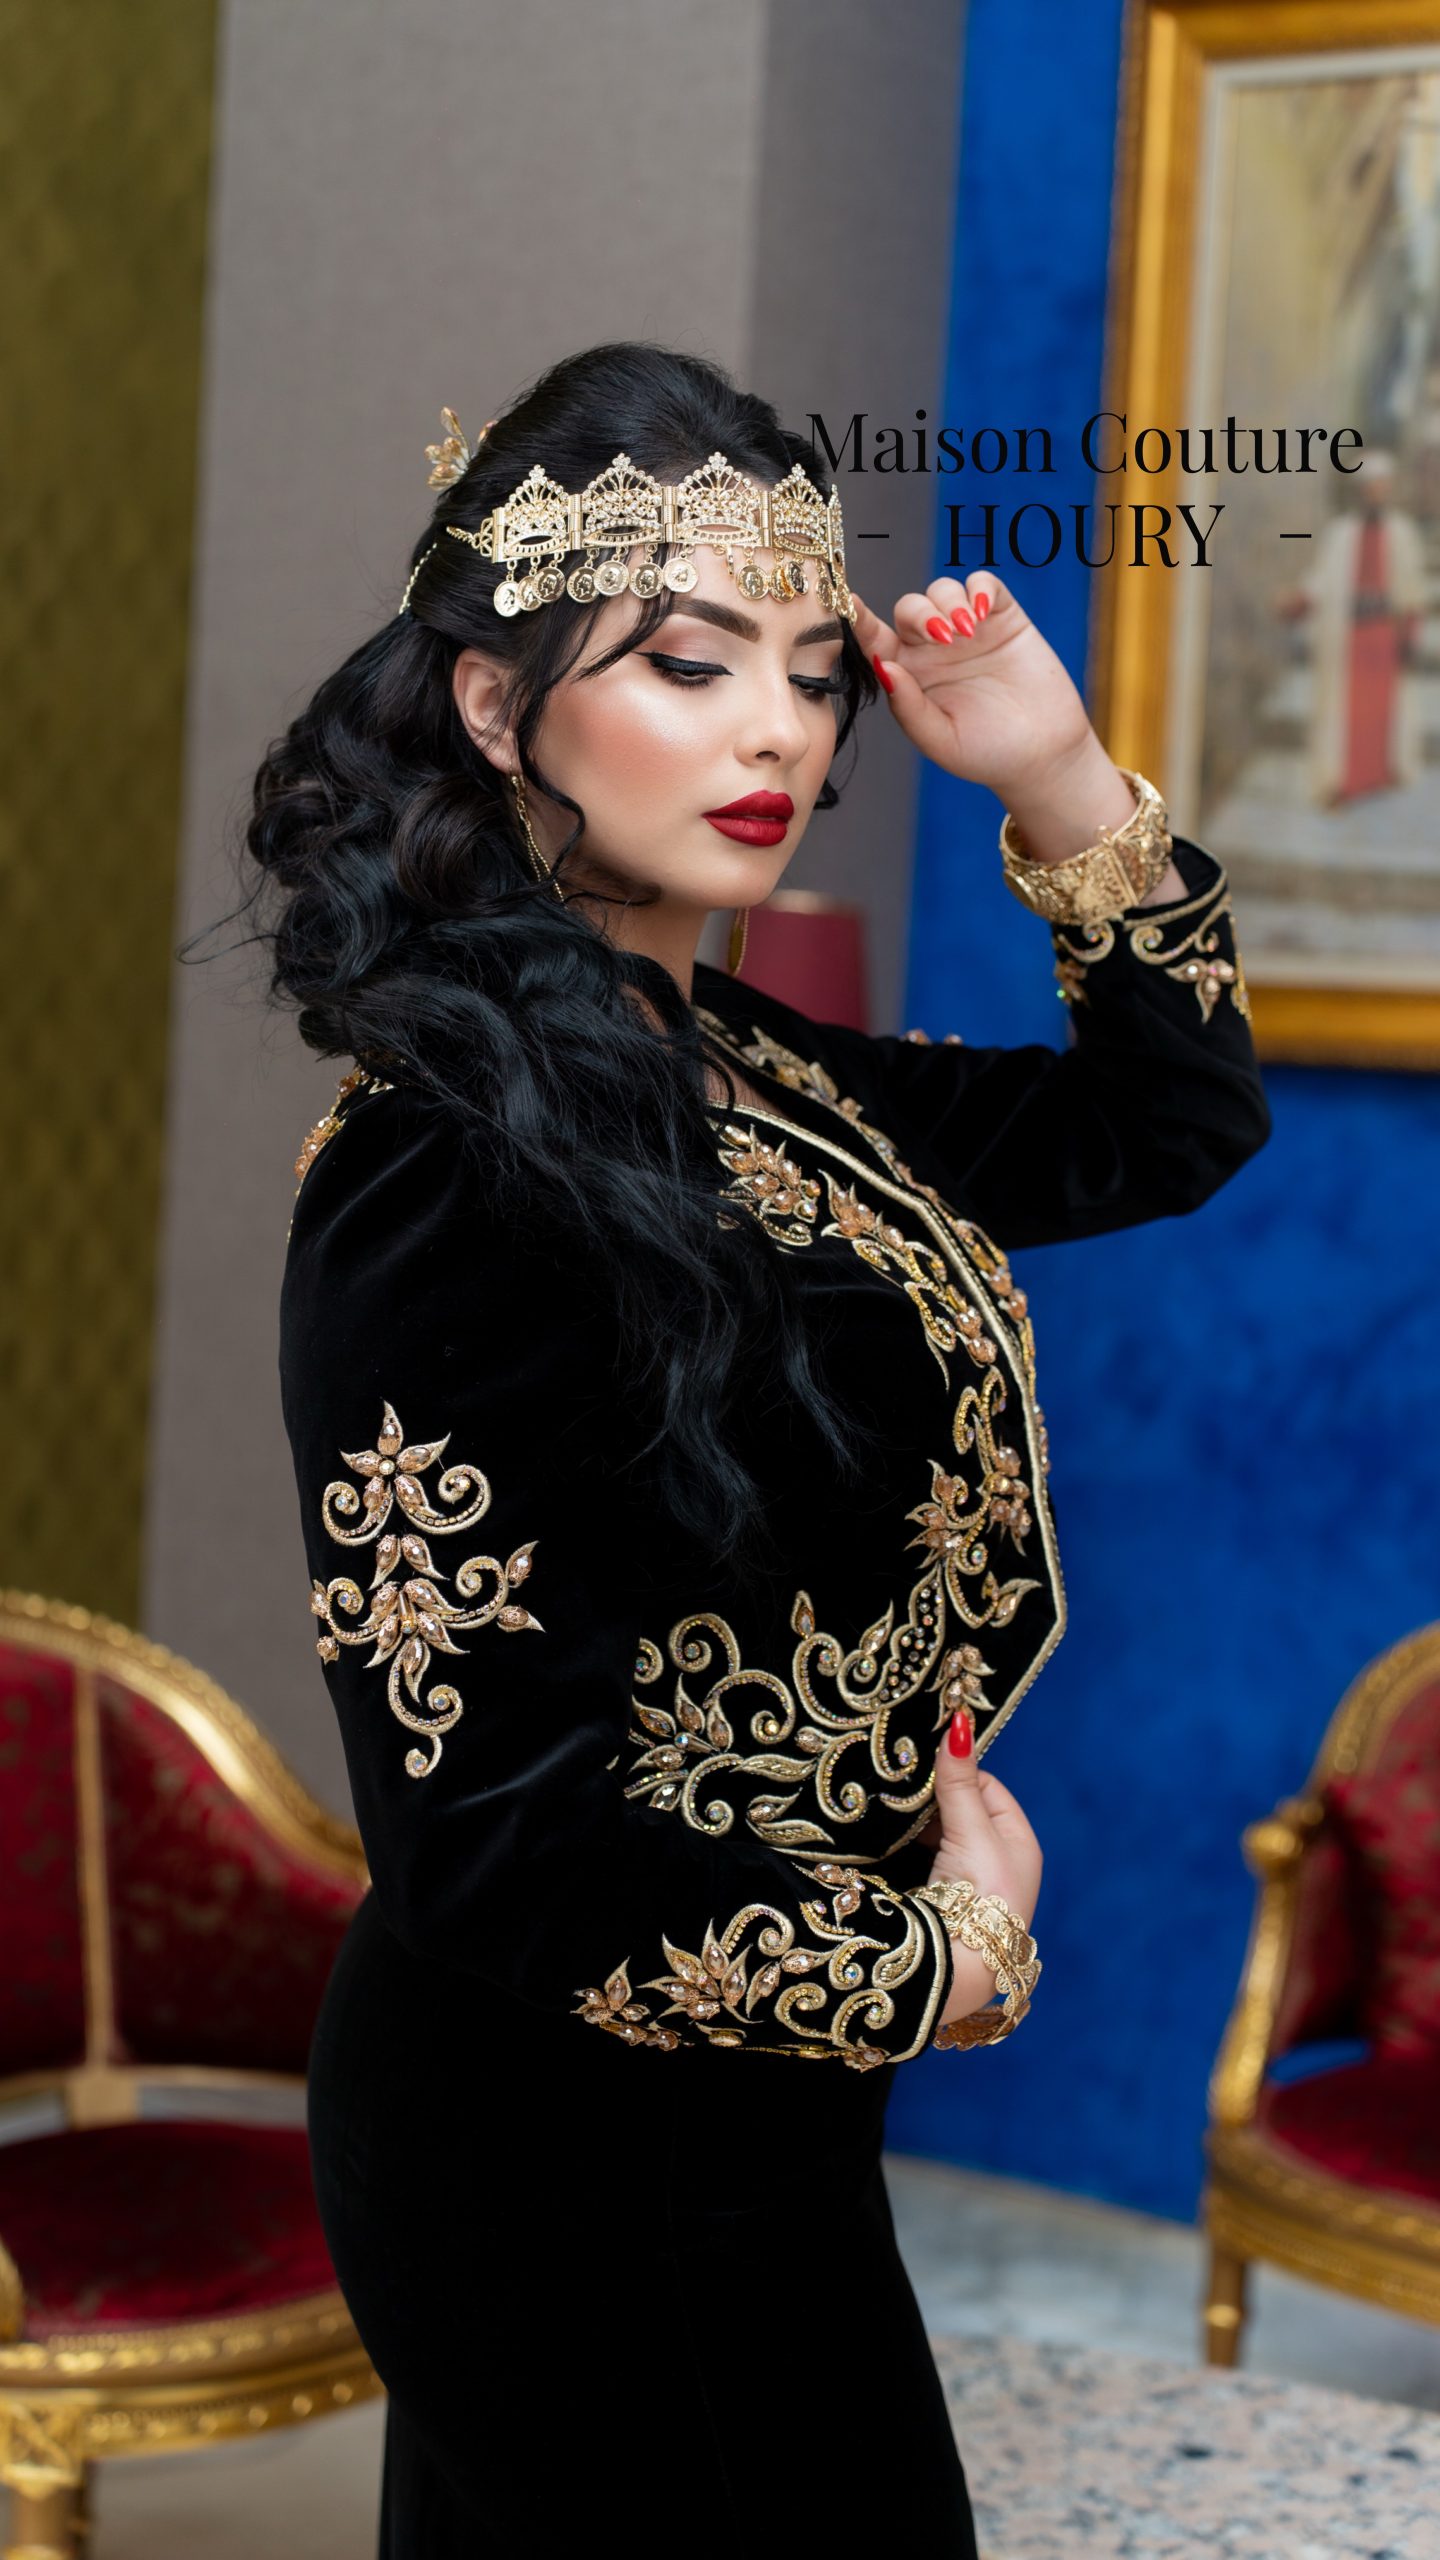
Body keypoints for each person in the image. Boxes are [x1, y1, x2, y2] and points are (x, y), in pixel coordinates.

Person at [250, 342, 1270, 2554]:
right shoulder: (446, 1167)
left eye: (814, 677)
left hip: (756, 2099)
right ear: (498, 705)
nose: (779, 733)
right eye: (692, 663)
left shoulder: (763, 1076)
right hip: (557, 2122)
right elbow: (489, 1845)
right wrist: (943, 1963)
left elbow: (1166, 1119)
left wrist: (1056, 768)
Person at [1273, 447, 1426, 807]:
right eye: (1370, 485)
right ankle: (1345, 781)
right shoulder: (1341, 533)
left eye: (1381, 485)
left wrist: (1409, 632)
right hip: (1349, 636)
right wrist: (1297, 602)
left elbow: (1412, 589)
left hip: (1384, 634)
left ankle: (1381, 774)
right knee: (1348, 714)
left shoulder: (1402, 532)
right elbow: (1321, 582)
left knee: (1382, 712)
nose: (1376, 491)